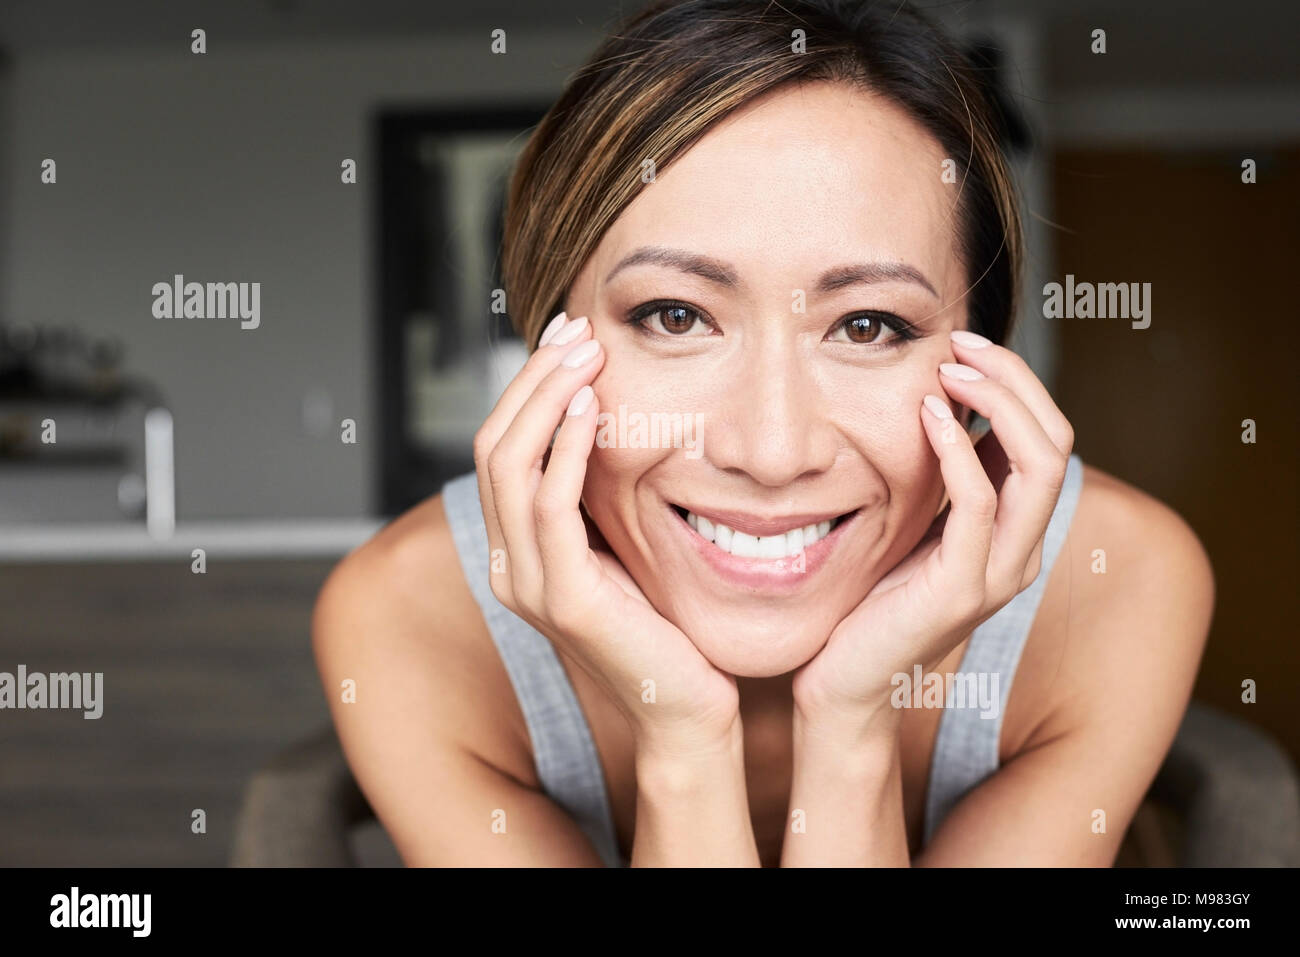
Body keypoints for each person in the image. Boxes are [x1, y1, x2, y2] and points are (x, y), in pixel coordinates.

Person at [312, 0, 1214, 866]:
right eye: (674, 315)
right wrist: (682, 738)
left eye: (867, 325)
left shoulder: (1116, 582)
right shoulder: (409, 616)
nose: (773, 451)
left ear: (980, 376)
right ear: (548, 340)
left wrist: (853, 721)